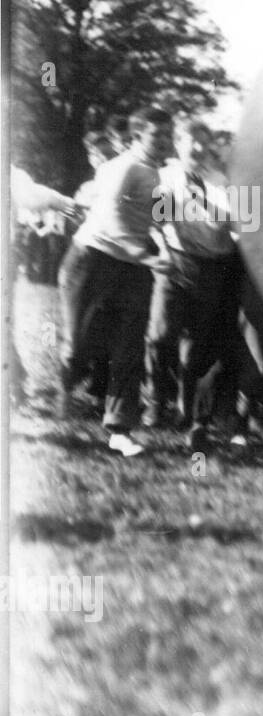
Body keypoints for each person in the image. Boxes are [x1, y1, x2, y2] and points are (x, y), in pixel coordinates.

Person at [58, 106, 175, 456]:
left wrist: (166, 250)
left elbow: (161, 220)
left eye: (168, 134)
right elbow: (111, 220)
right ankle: (63, 389)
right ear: (138, 136)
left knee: (129, 349)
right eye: (157, 135)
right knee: (79, 348)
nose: (165, 141)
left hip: (133, 269)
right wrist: (146, 256)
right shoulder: (122, 167)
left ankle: (120, 431)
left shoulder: (162, 175)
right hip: (92, 259)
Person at [145, 119, 243, 451]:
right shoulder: (165, 176)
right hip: (174, 261)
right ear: (178, 143)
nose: (197, 148)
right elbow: (156, 223)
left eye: (203, 142)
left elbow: (246, 228)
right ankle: (157, 399)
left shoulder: (228, 181)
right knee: (160, 335)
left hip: (212, 267)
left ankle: (188, 412)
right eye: (190, 142)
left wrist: (230, 214)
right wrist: (163, 253)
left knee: (196, 346)